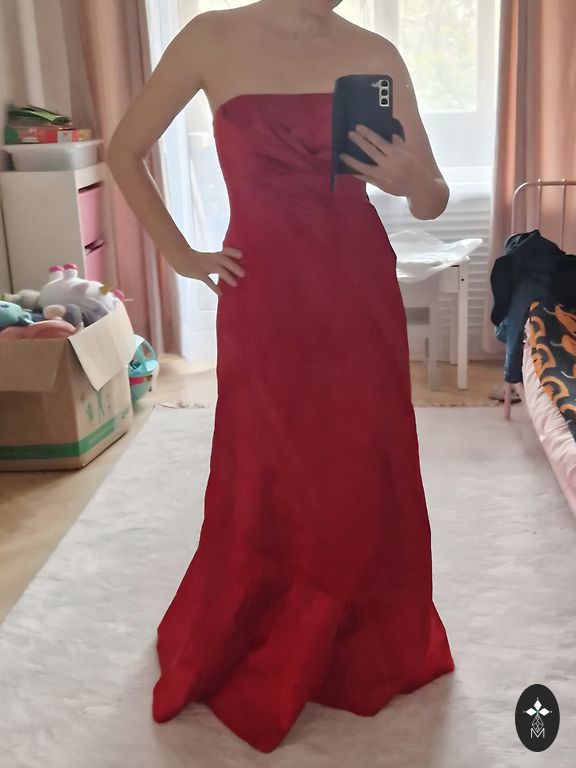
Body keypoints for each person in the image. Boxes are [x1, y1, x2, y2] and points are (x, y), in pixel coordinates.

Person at [107, 0, 455, 753]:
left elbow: (432, 198)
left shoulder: (374, 52)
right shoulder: (210, 36)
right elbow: (124, 151)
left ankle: (354, 629)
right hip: (264, 293)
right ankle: (267, 622)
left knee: (359, 459)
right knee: (270, 462)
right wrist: (180, 254)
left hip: (356, 287)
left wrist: (411, 181)